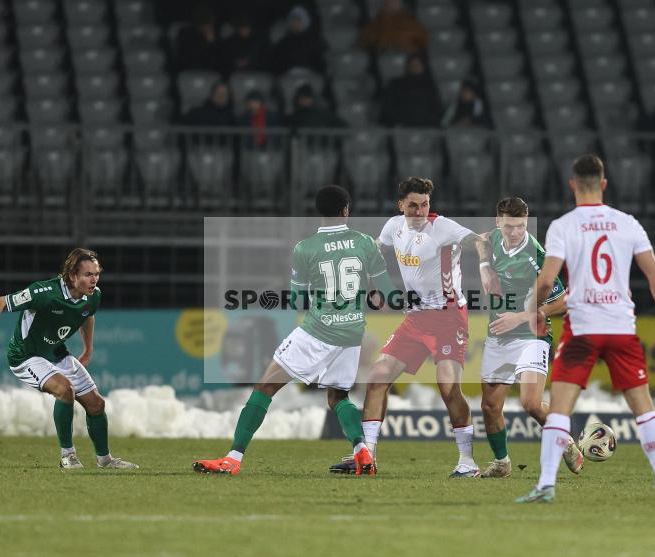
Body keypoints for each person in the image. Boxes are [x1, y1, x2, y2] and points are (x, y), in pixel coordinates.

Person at [193, 185, 399, 476]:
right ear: (346, 210)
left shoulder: (305, 248)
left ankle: (233, 458)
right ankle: (362, 451)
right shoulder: (365, 242)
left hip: (318, 331)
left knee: (264, 387)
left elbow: (296, 298)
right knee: (338, 398)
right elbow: (388, 294)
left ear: (320, 212)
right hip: (353, 334)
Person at [515, 155, 655, 505]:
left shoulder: (563, 226)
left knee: (559, 410)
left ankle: (546, 485)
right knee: (644, 409)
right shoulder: (627, 224)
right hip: (621, 327)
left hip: (583, 330)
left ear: (572, 184)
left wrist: (536, 312)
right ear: (604, 185)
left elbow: (545, 281)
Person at [329, 176, 502, 477]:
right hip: (415, 318)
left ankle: (467, 462)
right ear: (401, 205)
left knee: (448, 386)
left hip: (448, 317)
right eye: (413, 205)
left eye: (425, 205)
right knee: (378, 376)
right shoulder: (393, 227)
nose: (420, 211)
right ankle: (366, 457)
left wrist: (485, 266)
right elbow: (374, 252)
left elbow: (478, 242)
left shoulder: (443, 227)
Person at [0, 249, 138, 470]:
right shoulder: (44, 292)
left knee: (97, 404)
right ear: (72, 276)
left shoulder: (93, 295)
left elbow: (88, 316)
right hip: (26, 356)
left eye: (96, 273)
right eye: (88, 274)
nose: (94, 279)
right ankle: (68, 456)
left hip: (56, 353)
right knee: (65, 390)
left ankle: (105, 460)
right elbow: (0, 301)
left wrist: (88, 349)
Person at [477, 197, 583, 478]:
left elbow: (563, 300)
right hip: (498, 335)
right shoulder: (490, 240)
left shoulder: (535, 255)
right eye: (510, 226)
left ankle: (567, 442)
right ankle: (502, 464)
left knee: (531, 404)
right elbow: (475, 241)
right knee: (489, 406)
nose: (515, 232)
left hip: (531, 335)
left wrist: (524, 316)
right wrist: (484, 262)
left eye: (521, 226)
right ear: (498, 222)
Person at [379, 53, 443, 128]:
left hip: (425, 127)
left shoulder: (430, 86)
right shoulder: (395, 84)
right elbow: (389, 108)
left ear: (424, 66)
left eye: (418, 65)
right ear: (408, 66)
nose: (415, 67)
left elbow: (436, 110)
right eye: (412, 65)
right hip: (401, 126)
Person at [270, 5, 326, 75]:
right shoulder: (283, 43)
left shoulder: (315, 41)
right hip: (288, 78)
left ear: (305, 21)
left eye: (298, 20)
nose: (295, 23)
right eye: (293, 20)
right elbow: (278, 63)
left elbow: (320, 63)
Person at [360, 0, 428, 54]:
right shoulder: (379, 19)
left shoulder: (409, 20)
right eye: (390, 1)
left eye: (395, 1)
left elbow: (421, 38)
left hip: (405, 56)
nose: (392, 3)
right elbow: (368, 38)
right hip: (384, 56)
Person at [174, 3, 225, 72]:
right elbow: (187, 58)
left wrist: (212, 43)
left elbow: (218, 60)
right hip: (190, 70)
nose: (207, 28)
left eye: (210, 25)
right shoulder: (186, 34)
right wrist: (208, 43)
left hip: (211, 72)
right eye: (204, 25)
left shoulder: (216, 33)